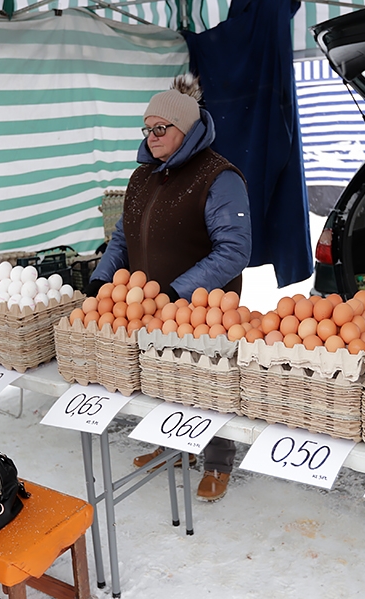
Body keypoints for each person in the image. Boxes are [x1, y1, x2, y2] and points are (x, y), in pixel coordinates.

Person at [87, 74, 252, 502]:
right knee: (164, 378)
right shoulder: (142, 177)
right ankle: (172, 446)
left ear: (187, 128)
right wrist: (102, 279)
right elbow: (123, 238)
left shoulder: (219, 177)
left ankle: (216, 460)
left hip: (203, 304)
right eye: (147, 128)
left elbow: (234, 250)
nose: (152, 136)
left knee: (207, 382)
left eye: (161, 128)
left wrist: (179, 294)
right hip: (153, 306)